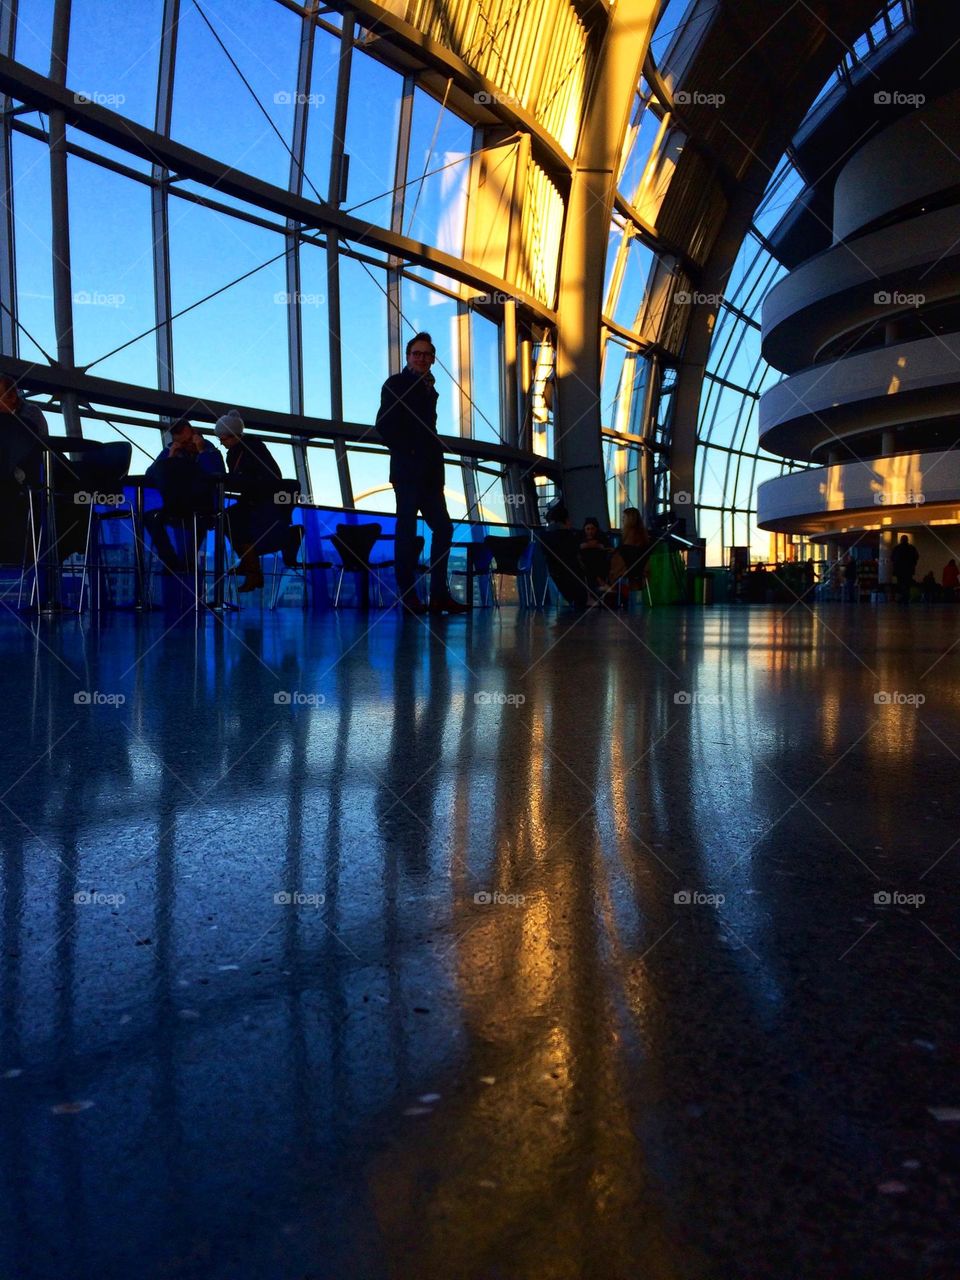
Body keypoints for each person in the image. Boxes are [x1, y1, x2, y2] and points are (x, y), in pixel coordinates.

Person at [375, 331, 468, 615]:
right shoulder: (397, 383)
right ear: (408, 356)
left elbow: (428, 432)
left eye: (427, 354)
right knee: (407, 532)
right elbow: (383, 426)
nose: (421, 358)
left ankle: (438, 594)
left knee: (441, 527)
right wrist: (411, 451)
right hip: (408, 471)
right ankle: (410, 595)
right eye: (417, 353)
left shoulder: (430, 389)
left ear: (433, 359)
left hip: (429, 474)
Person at [213, 410, 296, 593]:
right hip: (259, 500)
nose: (222, 442)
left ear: (233, 435)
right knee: (230, 518)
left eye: (223, 438)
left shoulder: (245, 450)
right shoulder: (249, 448)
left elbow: (259, 478)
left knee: (231, 520)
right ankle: (250, 567)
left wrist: (235, 481)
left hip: (262, 501)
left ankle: (252, 570)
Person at [144, 419, 225, 572]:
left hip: (203, 508)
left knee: (199, 517)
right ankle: (171, 562)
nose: (187, 446)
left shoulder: (210, 452)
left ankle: (188, 562)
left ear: (195, 434)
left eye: (188, 441)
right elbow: (151, 475)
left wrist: (201, 452)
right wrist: (170, 456)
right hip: (176, 506)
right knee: (150, 518)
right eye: (182, 443)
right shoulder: (171, 451)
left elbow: (217, 476)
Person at [594, 508, 652, 606]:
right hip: (641, 570)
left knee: (603, 560)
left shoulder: (629, 535)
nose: (622, 520)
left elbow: (627, 552)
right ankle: (607, 586)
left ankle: (606, 585)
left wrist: (616, 551)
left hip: (627, 569)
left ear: (629, 520)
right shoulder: (643, 536)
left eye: (624, 518)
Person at [538, 501, 588, 607]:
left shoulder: (544, 536)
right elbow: (575, 551)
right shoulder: (569, 536)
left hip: (554, 571)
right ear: (565, 520)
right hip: (572, 574)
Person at [579, 516, 611, 597]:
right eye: (588, 529)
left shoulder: (602, 537)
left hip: (601, 564)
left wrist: (600, 546)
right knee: (588, 558)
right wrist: (586, 546)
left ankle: (600, 582)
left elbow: (608, 548)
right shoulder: (579, 538)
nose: (590, 531)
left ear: (596, 529)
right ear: (584, 529)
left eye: (592, 529)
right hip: (583, 566)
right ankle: (601, 582)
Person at [891, 533, 919, 605]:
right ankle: (905, 598)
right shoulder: (911, 548)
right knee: (907, 585)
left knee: (900, 584)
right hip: (908, 570)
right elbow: (916, 557)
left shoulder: (897, 548)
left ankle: (901, 598)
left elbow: (892, 558)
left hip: (899, 570)